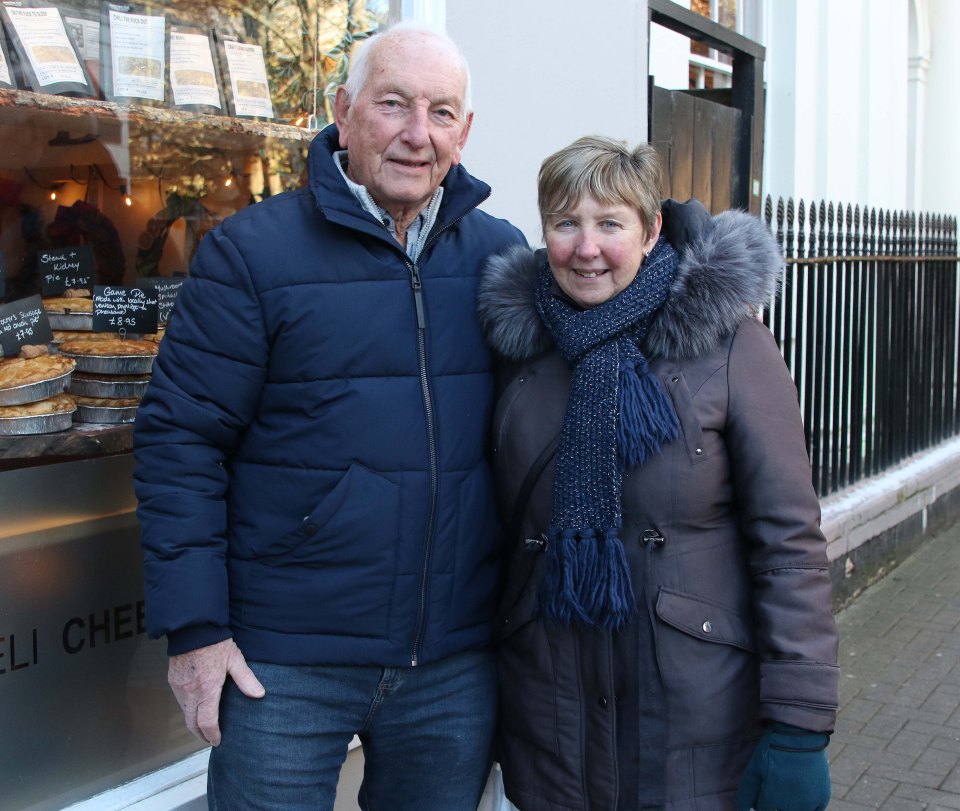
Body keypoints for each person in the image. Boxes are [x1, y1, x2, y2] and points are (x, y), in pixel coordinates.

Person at [132, 22, 527, 811]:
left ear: (467, 131)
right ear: (343, 112)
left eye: (442, 112)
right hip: (285, 662)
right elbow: (182, 440)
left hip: (451, 662)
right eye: (394, 104)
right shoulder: (252, 254)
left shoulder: (500, 255)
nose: (418, 134)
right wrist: (198, 628)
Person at [477, 136, 840, 811]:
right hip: (550, 727)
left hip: (692, 726)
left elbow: (789, 546)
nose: (586, 247)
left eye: (610, 223)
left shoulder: (727, 344)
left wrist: (799, 724)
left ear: (650, 233)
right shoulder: (518, 351)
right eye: (566, 222)